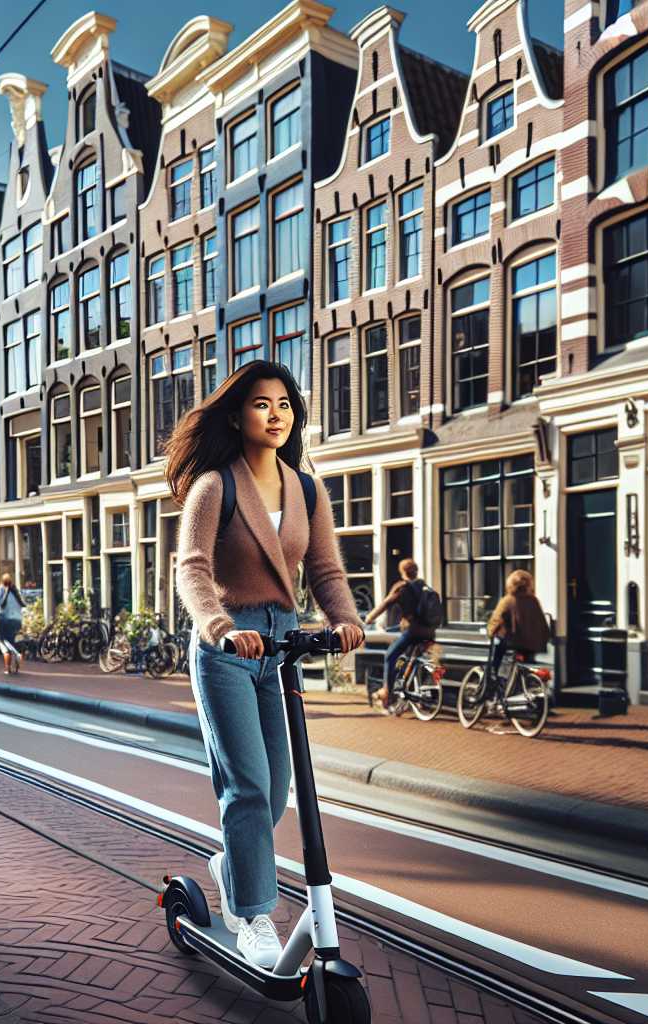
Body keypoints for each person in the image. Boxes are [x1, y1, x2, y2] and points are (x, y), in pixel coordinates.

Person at [170, 360, 365, 970]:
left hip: (282, 649)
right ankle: (254, 915)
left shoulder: (306, 489)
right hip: (229, 649)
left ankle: (231, 865)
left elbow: (326, 571)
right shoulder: (214, 487)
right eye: (262, 404)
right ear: (238, 414)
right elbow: (193, 569)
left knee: (277, 787)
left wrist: (343, 621)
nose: (275, 414)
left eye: (284, 404)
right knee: (247, 786)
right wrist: (221, 628)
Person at [364, 559, 442, 714]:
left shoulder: (402, 588)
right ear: (416, 571)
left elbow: (385, 604)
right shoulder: (425, 587)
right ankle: (413, 692)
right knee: (415, 659)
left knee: (390, 655)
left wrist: (369, 618)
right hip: (429, 632)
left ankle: (387, 692)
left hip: (413, 632)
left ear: (402, 572)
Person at [485, 569, 550, 687]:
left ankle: (494, 677)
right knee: (526, 666)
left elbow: (496, 620)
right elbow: (542, 622)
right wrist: (545, 637)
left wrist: (490, 632)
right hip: (532, 644)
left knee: (498, 656)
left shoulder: (508, 600)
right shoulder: (534, 601)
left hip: (513, 642)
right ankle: (526, 685)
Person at [0, 572, 25, 675]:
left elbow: (0, 604)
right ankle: (17, 662)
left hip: (5, 620)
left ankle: (7, 668)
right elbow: (23, 604)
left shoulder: (0, 590)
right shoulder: (16, 591)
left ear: (2, 581)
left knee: (4, 643)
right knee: (14, 642)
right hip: (17, 620)